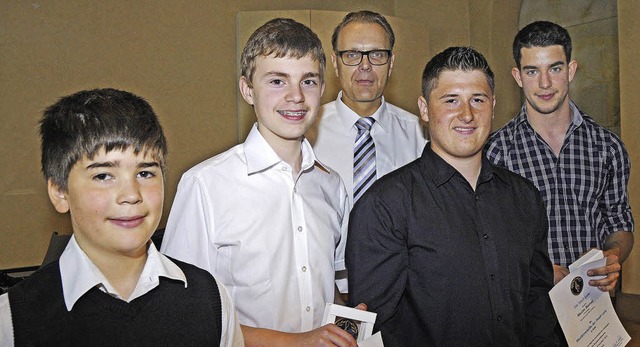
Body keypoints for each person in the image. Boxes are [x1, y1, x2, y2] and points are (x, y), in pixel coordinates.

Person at [160, 19, 359, 347]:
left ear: (322, 88)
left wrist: (347, 323)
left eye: (307, 81)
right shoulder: (205, 185)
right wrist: (296, 342)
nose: (295, 96)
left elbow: (326, 288)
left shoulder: (332, 186)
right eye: (278, 81)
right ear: (247, 89)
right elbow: (183, 313)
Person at [346, 47, 558, 346]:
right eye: (451, 100)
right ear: (424, 108)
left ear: (493, 106)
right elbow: (375, 330)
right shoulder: (384, 206)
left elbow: (538, 303)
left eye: (478, 100)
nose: (467, 114)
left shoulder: (525, 198)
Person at [0, 88, 243, 346]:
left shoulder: (210, 298)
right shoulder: (12, 321)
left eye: (145, 173)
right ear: (60, 193)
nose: (130, 195)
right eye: (103, 176)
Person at [485, 21, 634, 292]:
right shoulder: (496, 152)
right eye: (532, 71)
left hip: (592, 302)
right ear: (518, 77)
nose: (544, 83)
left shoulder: (607, 147)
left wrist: (613, 255)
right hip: (526, 305)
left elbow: (618, 220)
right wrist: (537, 268)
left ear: (571, 70)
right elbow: (488, 237)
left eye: (555, 68)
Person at [309, 10, 427, 204]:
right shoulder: (306, 133)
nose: (365, 66)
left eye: (377, 54)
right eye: (352, 54)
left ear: (391, 64)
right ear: (335, 63)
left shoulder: (419, 135)